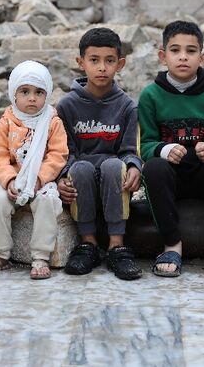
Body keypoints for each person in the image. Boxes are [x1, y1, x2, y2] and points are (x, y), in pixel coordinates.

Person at [139, 20, 204, 279]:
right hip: (171, 180)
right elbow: (145, 144)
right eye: (175, 50)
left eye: (191, 50)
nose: (183, 57)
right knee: (153, 167)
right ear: (163, 57)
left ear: (202, 57)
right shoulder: (150, 96)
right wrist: (164, 150)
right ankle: (172, 245)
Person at [56, 28, 144, 280]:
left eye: (109, 60)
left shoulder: (127, 106)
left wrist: (135, 167)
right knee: (80, 168)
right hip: (81, 178)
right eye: (94, 60)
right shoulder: (66, 106)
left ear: (120, 64)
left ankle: (117, 245)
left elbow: (130, 150)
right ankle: (88, 244)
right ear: (80, 63)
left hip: (112, 176)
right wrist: (61, 176)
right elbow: (64, 152)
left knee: (114, 166)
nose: (102, 68)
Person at [0, 60, 68, 279]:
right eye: (24, 91)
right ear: (13, 94)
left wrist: (39, 179)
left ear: (47, 95)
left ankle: (40, 256)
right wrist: (8, 181)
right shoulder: (6, 123)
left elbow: (57, 155)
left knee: (46, 202)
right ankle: (0, 254)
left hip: (41, 181)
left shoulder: (53, 123)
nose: (32, 98)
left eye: (39, 92)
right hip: (11, 182)